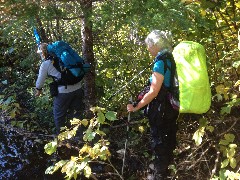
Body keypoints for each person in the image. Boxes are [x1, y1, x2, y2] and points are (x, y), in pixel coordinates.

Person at [127, 30, 179, 179]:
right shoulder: (170, 58)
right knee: (169, 137)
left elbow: (154, 91)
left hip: (161, 108)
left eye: (149, 46)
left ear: (155, 44)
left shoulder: (160, 62)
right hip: (171, 106)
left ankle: (159, 174)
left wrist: (136, 107)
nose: (148, 49)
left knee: (159, 140)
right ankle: (168, 167)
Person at [35, 43, 84, 135]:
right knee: (77, 114)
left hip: (63, 93)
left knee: (59, 116)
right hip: (78, 88)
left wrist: (38, 90)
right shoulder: (63, 58)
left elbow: (40, 81)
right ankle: (79, 137)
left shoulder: (46, 64)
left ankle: (62, 139)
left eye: (40, 53)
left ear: (43, 53)